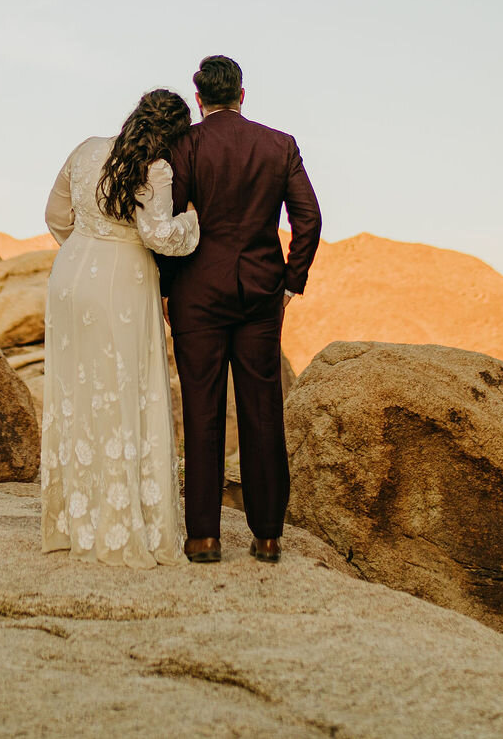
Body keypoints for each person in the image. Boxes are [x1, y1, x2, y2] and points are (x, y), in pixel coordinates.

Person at [163, 54, 320, 564]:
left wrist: (167, 289)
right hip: (260, 295)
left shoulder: (186, 145)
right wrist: (290, 281)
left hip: (197, 296)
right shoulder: (279, 145)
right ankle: (268, 535)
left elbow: (168, 222)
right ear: (242, 95)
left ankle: (203, 537)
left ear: (200, 100)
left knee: (201, 412)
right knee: (262, 411)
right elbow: (309, 219)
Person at [39, 88, 202, 567]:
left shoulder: (87, 148)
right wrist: (192, 223)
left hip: (69, 276)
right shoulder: (157, 169)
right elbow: (159, 235)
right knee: (123, 390)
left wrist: (84, 247)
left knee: (76, 390)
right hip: (123, 281)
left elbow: (54, 215)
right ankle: (121, 521)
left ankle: (74, 520)